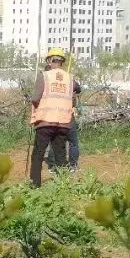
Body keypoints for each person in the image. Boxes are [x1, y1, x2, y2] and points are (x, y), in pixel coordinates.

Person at [29, 47, 79, 186]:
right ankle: (62, 184)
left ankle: (35, 184)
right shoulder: (70, 78)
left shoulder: (44, 76)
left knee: (38, 153)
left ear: (50, 61)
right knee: (60, 155)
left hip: (45, 121)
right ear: (62, 62)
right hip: (63, 123)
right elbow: (73, 99)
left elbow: (35, 98)